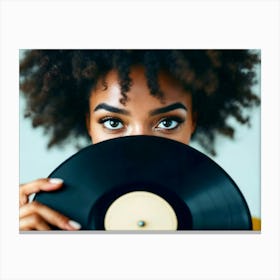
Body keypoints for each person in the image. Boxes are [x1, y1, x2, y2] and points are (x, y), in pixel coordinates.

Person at [19, 50, 261, 230]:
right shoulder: (42, 229)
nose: (140, 145)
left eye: (167, 123)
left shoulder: (254, 235)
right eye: (113, 122)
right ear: (88, 124)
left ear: (193, 123)